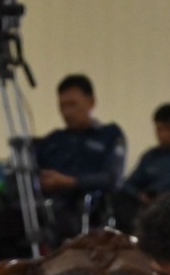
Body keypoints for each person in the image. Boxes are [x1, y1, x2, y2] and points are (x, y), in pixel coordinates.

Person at [35, 75, 126, 231]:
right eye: (62, 106)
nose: (67, 112)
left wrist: (70, 182)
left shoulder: (110, 135)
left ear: (91, 103)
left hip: (86, 210)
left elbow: (112, 178)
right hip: (45, 206)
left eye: (73, 105)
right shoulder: (53, 140)